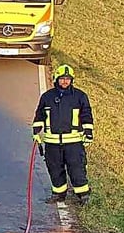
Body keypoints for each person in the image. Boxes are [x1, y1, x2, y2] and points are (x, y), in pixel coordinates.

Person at [32, 65, 94, 204]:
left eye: (68, 79)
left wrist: (88, 133)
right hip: (52, 143)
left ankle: (83, 195)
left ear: (72, 80)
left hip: (73, 142)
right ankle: (59, 194)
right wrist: (36, 131)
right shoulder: (47, 97)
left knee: (76, 168)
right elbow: (40, 115)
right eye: (62, 79)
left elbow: (86, 115)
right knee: (54, 168)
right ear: (56, 79)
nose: (65, 81)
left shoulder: (80, 96)